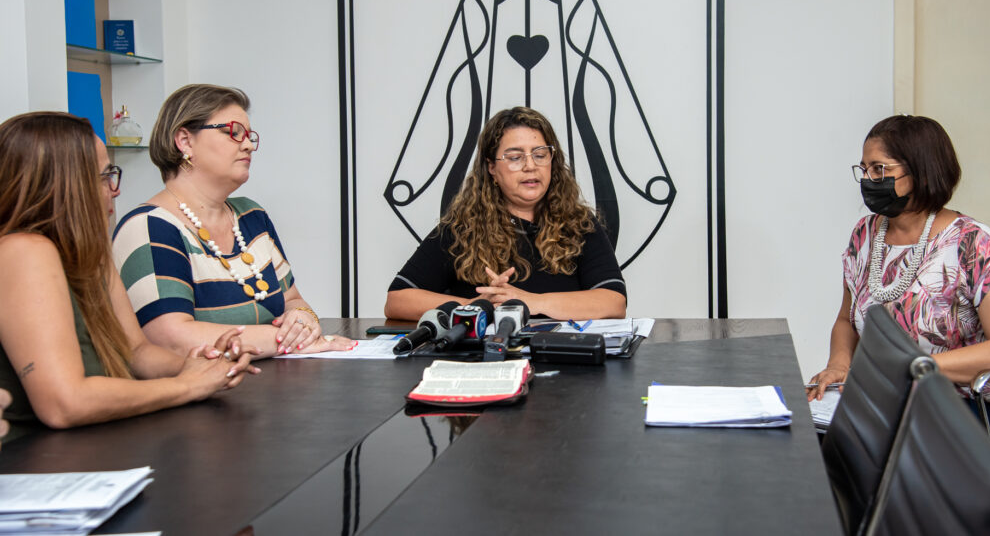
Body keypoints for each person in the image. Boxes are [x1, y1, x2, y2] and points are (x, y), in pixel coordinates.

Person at [0, 112, 257, 442]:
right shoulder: (23, 251)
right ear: (66, 185)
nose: (114, 190)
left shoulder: (91, 253)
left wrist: (203, 365)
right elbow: (63, 404)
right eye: (105, 175)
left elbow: (135, 353)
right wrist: (185, 385)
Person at [807, 115, 990, 446]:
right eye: (864, 169)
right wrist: (839, 365)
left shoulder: (972, 242)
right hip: (886, 400)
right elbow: (846, 319)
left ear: (921, 171)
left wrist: (913, 368)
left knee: (859, 445)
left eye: (880, 170)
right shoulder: (864, 234)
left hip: (966, 408)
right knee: (807, 435)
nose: (868, 179)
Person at [112, 85, 354, 357]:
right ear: (185, 141)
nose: (249, 145)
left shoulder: (252, 216)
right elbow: (170, 338)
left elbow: (292, 299)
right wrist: (285, 341)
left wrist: (303, 319)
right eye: (234, 132)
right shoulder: (149, 226)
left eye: (249, 136)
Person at [386, 106, 627, 321]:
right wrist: (475, 306)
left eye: (540, 155)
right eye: (515, 157)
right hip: (485, 365)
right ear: (491, 167)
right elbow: (397, 300)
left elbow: (614, 301)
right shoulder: (462, 227)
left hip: (564, 362)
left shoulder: (579, 224)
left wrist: (531, 302)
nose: (530, 165)